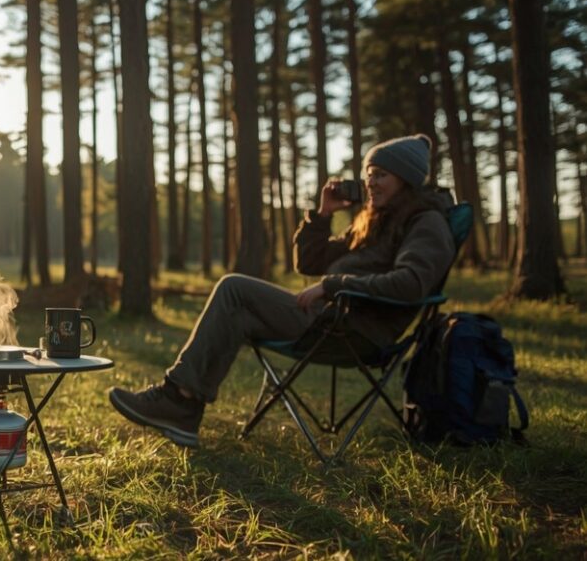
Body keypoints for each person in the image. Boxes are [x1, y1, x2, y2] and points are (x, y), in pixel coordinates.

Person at [108, 134, 456, 448]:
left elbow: (411, 284)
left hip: (355, 332)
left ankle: (175, 399)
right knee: (238, 315)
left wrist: (334, 285)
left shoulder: (425, 222)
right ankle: (183, 407)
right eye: (368, 173)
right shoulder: (372, 222)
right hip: (331, 323)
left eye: (381, 174)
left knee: (233, 288)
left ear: (406, 180)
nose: (370, 182)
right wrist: (322, 216)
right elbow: (307, 262)